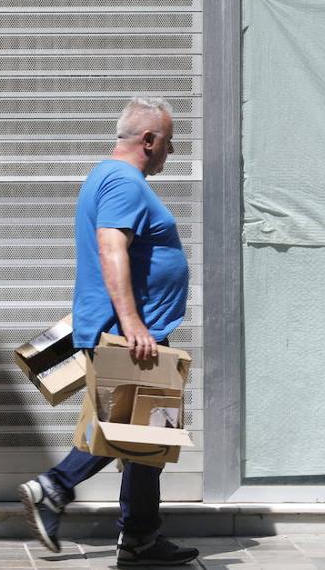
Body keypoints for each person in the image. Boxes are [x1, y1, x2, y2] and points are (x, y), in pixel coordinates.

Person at [17, 97, 199, 567]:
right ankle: (53, 488)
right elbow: (111, 247)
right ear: (149, 140)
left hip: (130, 330)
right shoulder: (123, 181)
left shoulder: (107, 176)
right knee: (135, 431)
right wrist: (135, 323)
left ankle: (139, 537)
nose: (171, 152)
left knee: (147, 438)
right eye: (169, 142)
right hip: (133, 335)